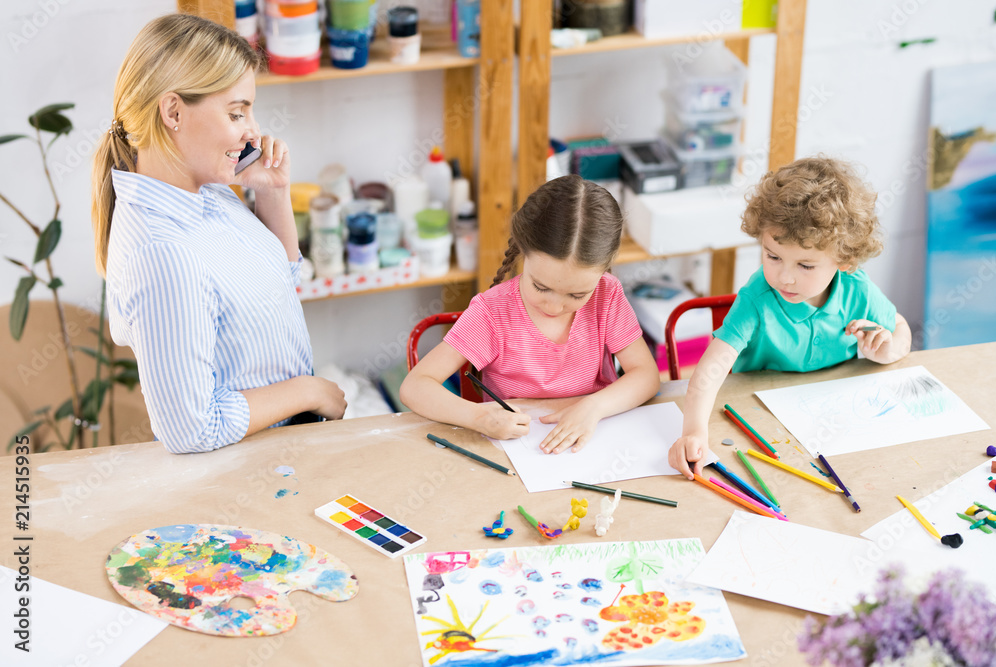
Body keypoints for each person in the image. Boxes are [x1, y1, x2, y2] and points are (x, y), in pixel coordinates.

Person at [91, 14, 346, 454]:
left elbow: (280, 283)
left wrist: (273, 193)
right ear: (173, 111)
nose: (253, 131)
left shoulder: (207, 192)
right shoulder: (162, 252)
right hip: (242, 475)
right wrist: (307, 392)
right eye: (235, 113)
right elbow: (190, 429)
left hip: (283, 451)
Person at [668, 157, 912, 478]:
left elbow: (900, 327)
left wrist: (889, 350)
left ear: (844, 258)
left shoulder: (857, 289)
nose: (785, 278)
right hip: (759, 421)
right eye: (773, 256)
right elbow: (711, 369)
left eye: (805, 266)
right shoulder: (757, 299)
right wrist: (694, 431)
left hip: (836, 424)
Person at [400, 175, 661, 454]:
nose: (554, 307)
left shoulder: (606, 295)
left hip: (595, 438)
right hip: (518, 449)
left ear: (604, 269)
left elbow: (646, 375)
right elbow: (415, 387)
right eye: (541, 286)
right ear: (523, 250)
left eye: (576, 295)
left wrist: (593, 406)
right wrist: (478, 417)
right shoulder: (493, 312)